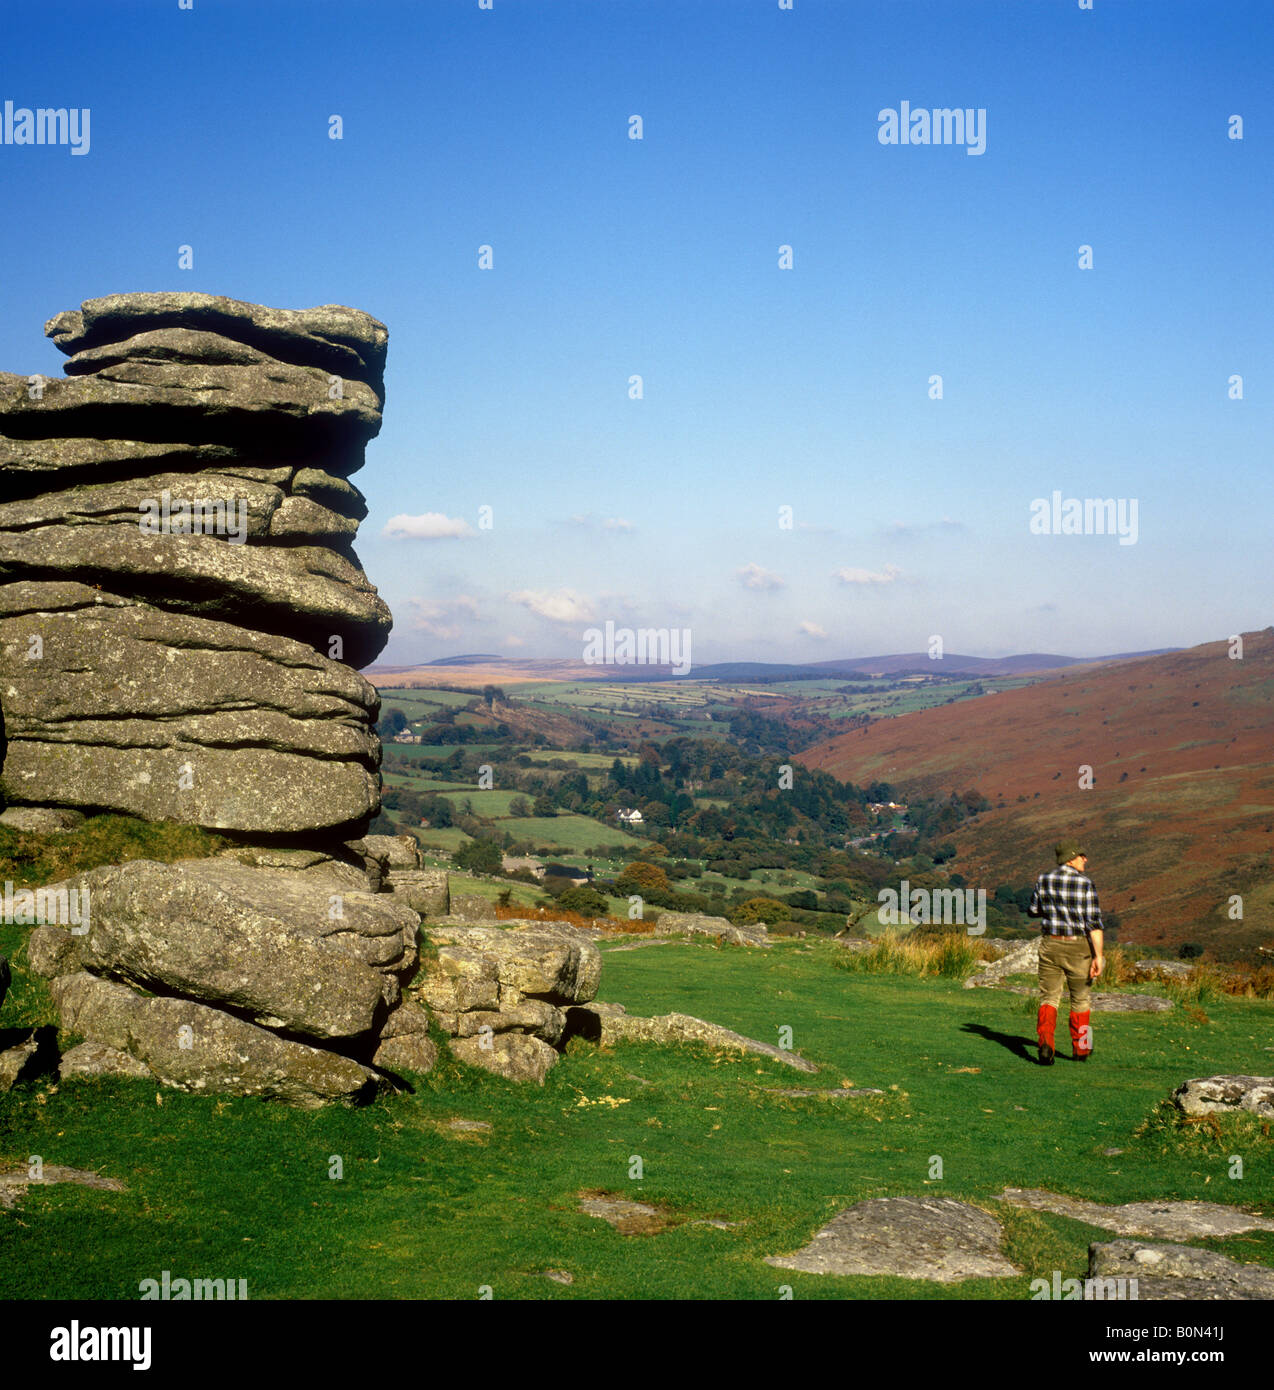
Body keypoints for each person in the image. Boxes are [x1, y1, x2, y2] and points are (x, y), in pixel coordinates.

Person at [1028, 840, 1104, 1065]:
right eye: (1081, 855)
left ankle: (1045, 1043)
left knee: (1049, 998)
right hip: (1079, 947)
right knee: (1081, 999)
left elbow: (1033, 910)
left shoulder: (1044, 880)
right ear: (1070, 858)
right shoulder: (1086, 884)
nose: (1085, 859)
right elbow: (1094, 924)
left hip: (1050, 944)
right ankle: (1082, 1049)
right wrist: (1098, 956)